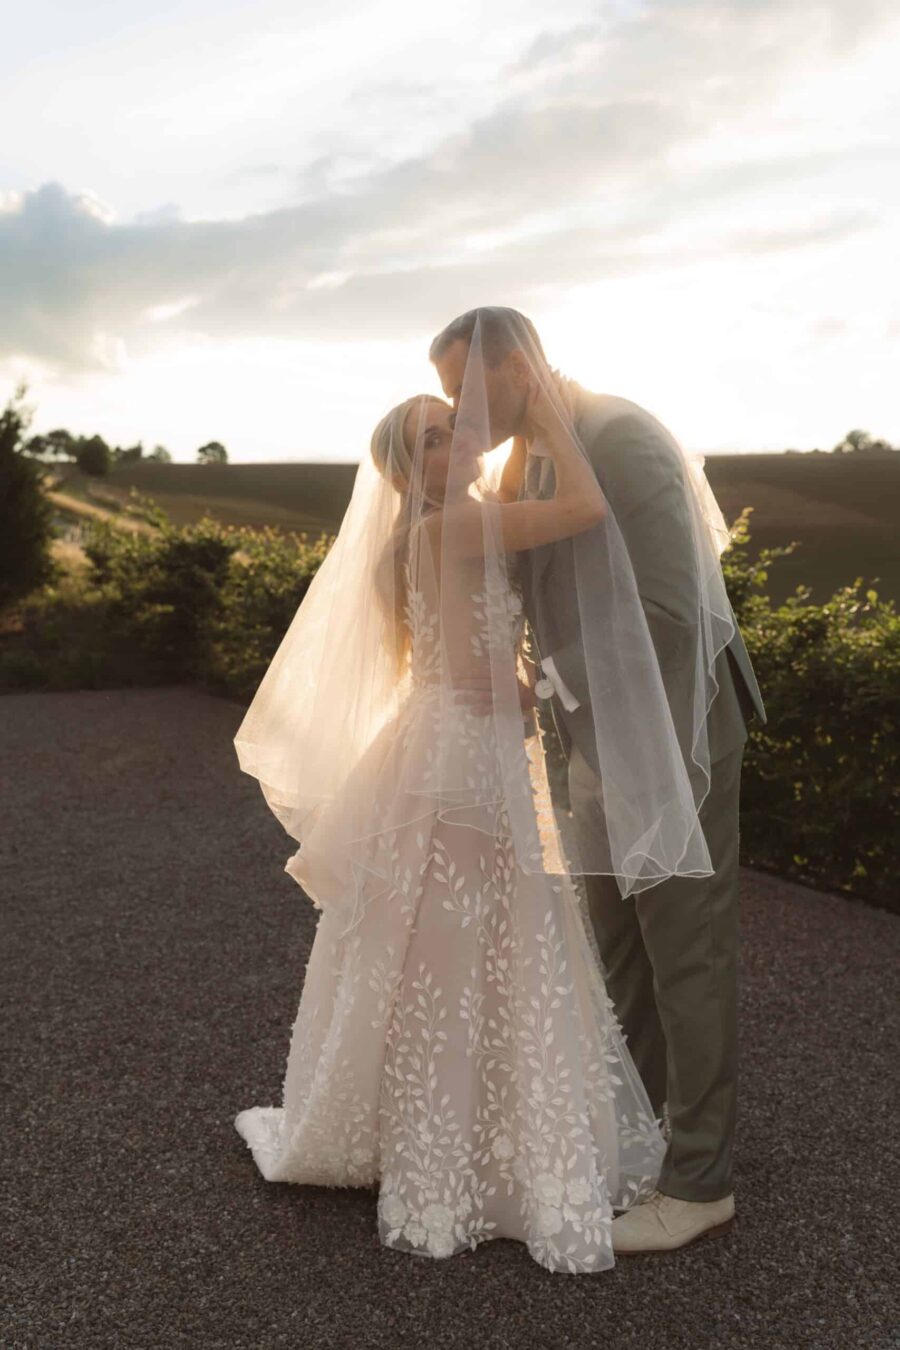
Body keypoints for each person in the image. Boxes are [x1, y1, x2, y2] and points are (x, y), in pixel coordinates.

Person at [232, 351, 669, 1274]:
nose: (458, 436)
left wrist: (504, 677)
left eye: (455, 423)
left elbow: (448, 645)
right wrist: (546, 409)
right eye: (435, 438)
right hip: (466, 755)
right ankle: (461, 1149)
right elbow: (586, 509)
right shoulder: (458, 526)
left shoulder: (426, 536)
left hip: (447, 743)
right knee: (478, 934)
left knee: (446, 935)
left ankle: (430, 1128)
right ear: (409, 470)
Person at [429, 306, 767, 1254]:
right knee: (618, 947)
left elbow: (670, 612)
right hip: (593, 739)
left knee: (685, 951)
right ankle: (645, 1143)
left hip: (675, 734)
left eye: (466, 393)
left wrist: (544, 686)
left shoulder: (622, 437)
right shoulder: (527, 459)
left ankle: (700, 1186)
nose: (460, 415)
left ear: (517, 367)